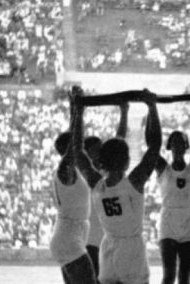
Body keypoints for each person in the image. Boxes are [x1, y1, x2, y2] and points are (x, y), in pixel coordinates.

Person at [74, 87, 161, 284]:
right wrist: (152, 106)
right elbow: (154, 145)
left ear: (102, 161)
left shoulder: (97, 185)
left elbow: (78, 152)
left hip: (109, 251)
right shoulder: (134, 183)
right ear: (126, 161)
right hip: (132, 254)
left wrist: (77, 110)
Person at [152, 94, 190, 284]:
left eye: (181, 143)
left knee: (185, 276)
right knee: (168, 275)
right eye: (175, 142)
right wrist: (152, 108)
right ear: (169, 147)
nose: (178, 146)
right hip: (168, 219)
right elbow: (151, 142)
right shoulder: (163, 168)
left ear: (186, 146)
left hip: (188, 220)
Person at [49, 93, 97, 284]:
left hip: (70, 237)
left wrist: (75, 108)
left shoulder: (74, 170)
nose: (81, 147)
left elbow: (75, 139)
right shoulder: (65, 170)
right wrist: (78, 110)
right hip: (69, 240)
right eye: (76, 146)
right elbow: (75, 143)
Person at [85, 102, 130, 281]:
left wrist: (124, 112)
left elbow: (120, 138)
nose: (98, 153)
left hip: (109, 236)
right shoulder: (84, 173)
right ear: (86, 153)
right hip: (90, 238)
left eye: (100, 150)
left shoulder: (108, 171)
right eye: (94, 150)